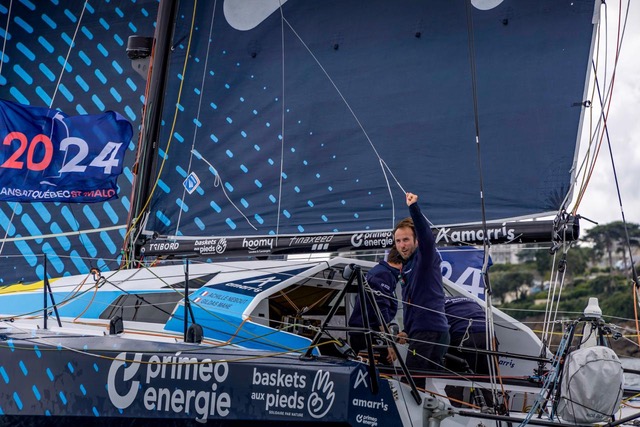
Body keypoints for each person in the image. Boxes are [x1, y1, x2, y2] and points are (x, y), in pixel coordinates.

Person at [395, 192, 449, 386]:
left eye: (406, 240)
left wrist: (413, 208)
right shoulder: (407, 266)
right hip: (423, 333)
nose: (402, 245)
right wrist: (406, 331)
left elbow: (427, 238)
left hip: (429, 333)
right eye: (398, 241)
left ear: (416, 240)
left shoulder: (424, 258)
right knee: (427, 388)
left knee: (410, 385)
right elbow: (412, 304)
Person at [348, 247, 402, 364]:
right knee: (383, 370)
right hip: (367, 334)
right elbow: (380, 311)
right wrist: (389, 343)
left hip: (368, 332)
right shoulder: (384, 274)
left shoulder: (384, 272)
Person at [444, 296, 492, 375]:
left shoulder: (438, 303)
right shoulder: (470, 299)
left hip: (464, 336)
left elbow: (439, 330)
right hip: (489, 335)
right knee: (488, 378)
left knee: (456, 378)